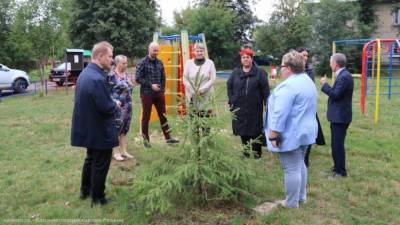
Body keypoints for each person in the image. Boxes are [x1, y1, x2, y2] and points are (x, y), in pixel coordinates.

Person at [265, 51, 318, 208]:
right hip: (306, 132)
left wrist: (273, 135)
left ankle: (291, 202)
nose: (281, 70)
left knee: (291, 169)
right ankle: (301, 197)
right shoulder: (307, 81)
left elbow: (280, 113)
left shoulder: (288, 86)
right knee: (300, 164)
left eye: (282, 66)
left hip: (291, 134)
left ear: (288, 67)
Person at [71, 41, 120, 206]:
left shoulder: (85, 73)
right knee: (101, 163)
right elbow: (106, 107)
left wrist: (108, 102)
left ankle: (85, 191)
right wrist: (116, 104)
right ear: (100, 56)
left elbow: (95, 100)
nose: (112, 60)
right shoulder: (97, 77)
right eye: (110, 56)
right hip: (99, 128)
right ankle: (98, 198)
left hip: (89, 126)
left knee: (90, 159)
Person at [227, 48, 270, 158]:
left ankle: (257, 154)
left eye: (248, 57)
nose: (245, 59)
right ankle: (245, 152)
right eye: (243, 57)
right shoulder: (236, 72)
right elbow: (229, 86)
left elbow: (265, 89)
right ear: (241, 59)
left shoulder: (259, 73)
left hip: (255, 107)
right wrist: (232, 100)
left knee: (255, 131)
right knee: (243, 130)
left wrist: (267, 103)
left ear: (252, 59)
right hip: (239, 107)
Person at [135, 42, 179, 148]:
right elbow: (137, 78)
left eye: (157, 50)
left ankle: (168, 138)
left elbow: (163, 77)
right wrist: (151, 85)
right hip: (146, 94)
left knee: (163, 116)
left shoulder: (159, 62)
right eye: (154, 50)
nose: (156, 52)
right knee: (146, 117)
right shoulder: (142, 62)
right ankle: (146, 142)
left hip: (159, 94)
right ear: (149, 49)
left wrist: (162, 90)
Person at [320, 53, 354, 178]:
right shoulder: (342, 75)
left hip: (341, 117)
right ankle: (336, 167)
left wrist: (324, 85)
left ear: (335, 63)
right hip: (338, 116)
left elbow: (335, 94)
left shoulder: (344, 77)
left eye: (330, 62)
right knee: (335, 144)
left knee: (338, 145)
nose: (330, 64)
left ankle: (340, 172)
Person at [296, 47, 326, 167]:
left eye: (306, 56)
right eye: (303, 55)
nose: (305, 57)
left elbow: (311, 88)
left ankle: (305, 159)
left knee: (308, 132)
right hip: (296, 107)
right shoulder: (293, 70)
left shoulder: (309, 71)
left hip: (308, 107)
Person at [183, 43, 216, 134]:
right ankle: (196, 141)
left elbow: (212, 79)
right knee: (194, 121)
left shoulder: (210, 63)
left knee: (205, 121)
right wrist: (193, 90)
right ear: (194, 52)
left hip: (205, 96)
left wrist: (202, 90)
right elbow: (185, 78)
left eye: (201, 51)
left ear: (204, 51)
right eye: (197, 51)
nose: (199, 53)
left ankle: (205, 140)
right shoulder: (188, 63)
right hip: (192, 96)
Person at [108, 55, 134, 161]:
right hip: (117, 107)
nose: (126, 65)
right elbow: (106, 91)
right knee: (116, 129)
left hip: (127, 106)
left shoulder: (126, 75)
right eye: (123, 63)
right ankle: (116, 152)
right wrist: (113, 101)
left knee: (124, 129)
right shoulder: (111, 75)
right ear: (117, 63)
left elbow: (129, 88)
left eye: (126, 63)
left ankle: (124, 151)